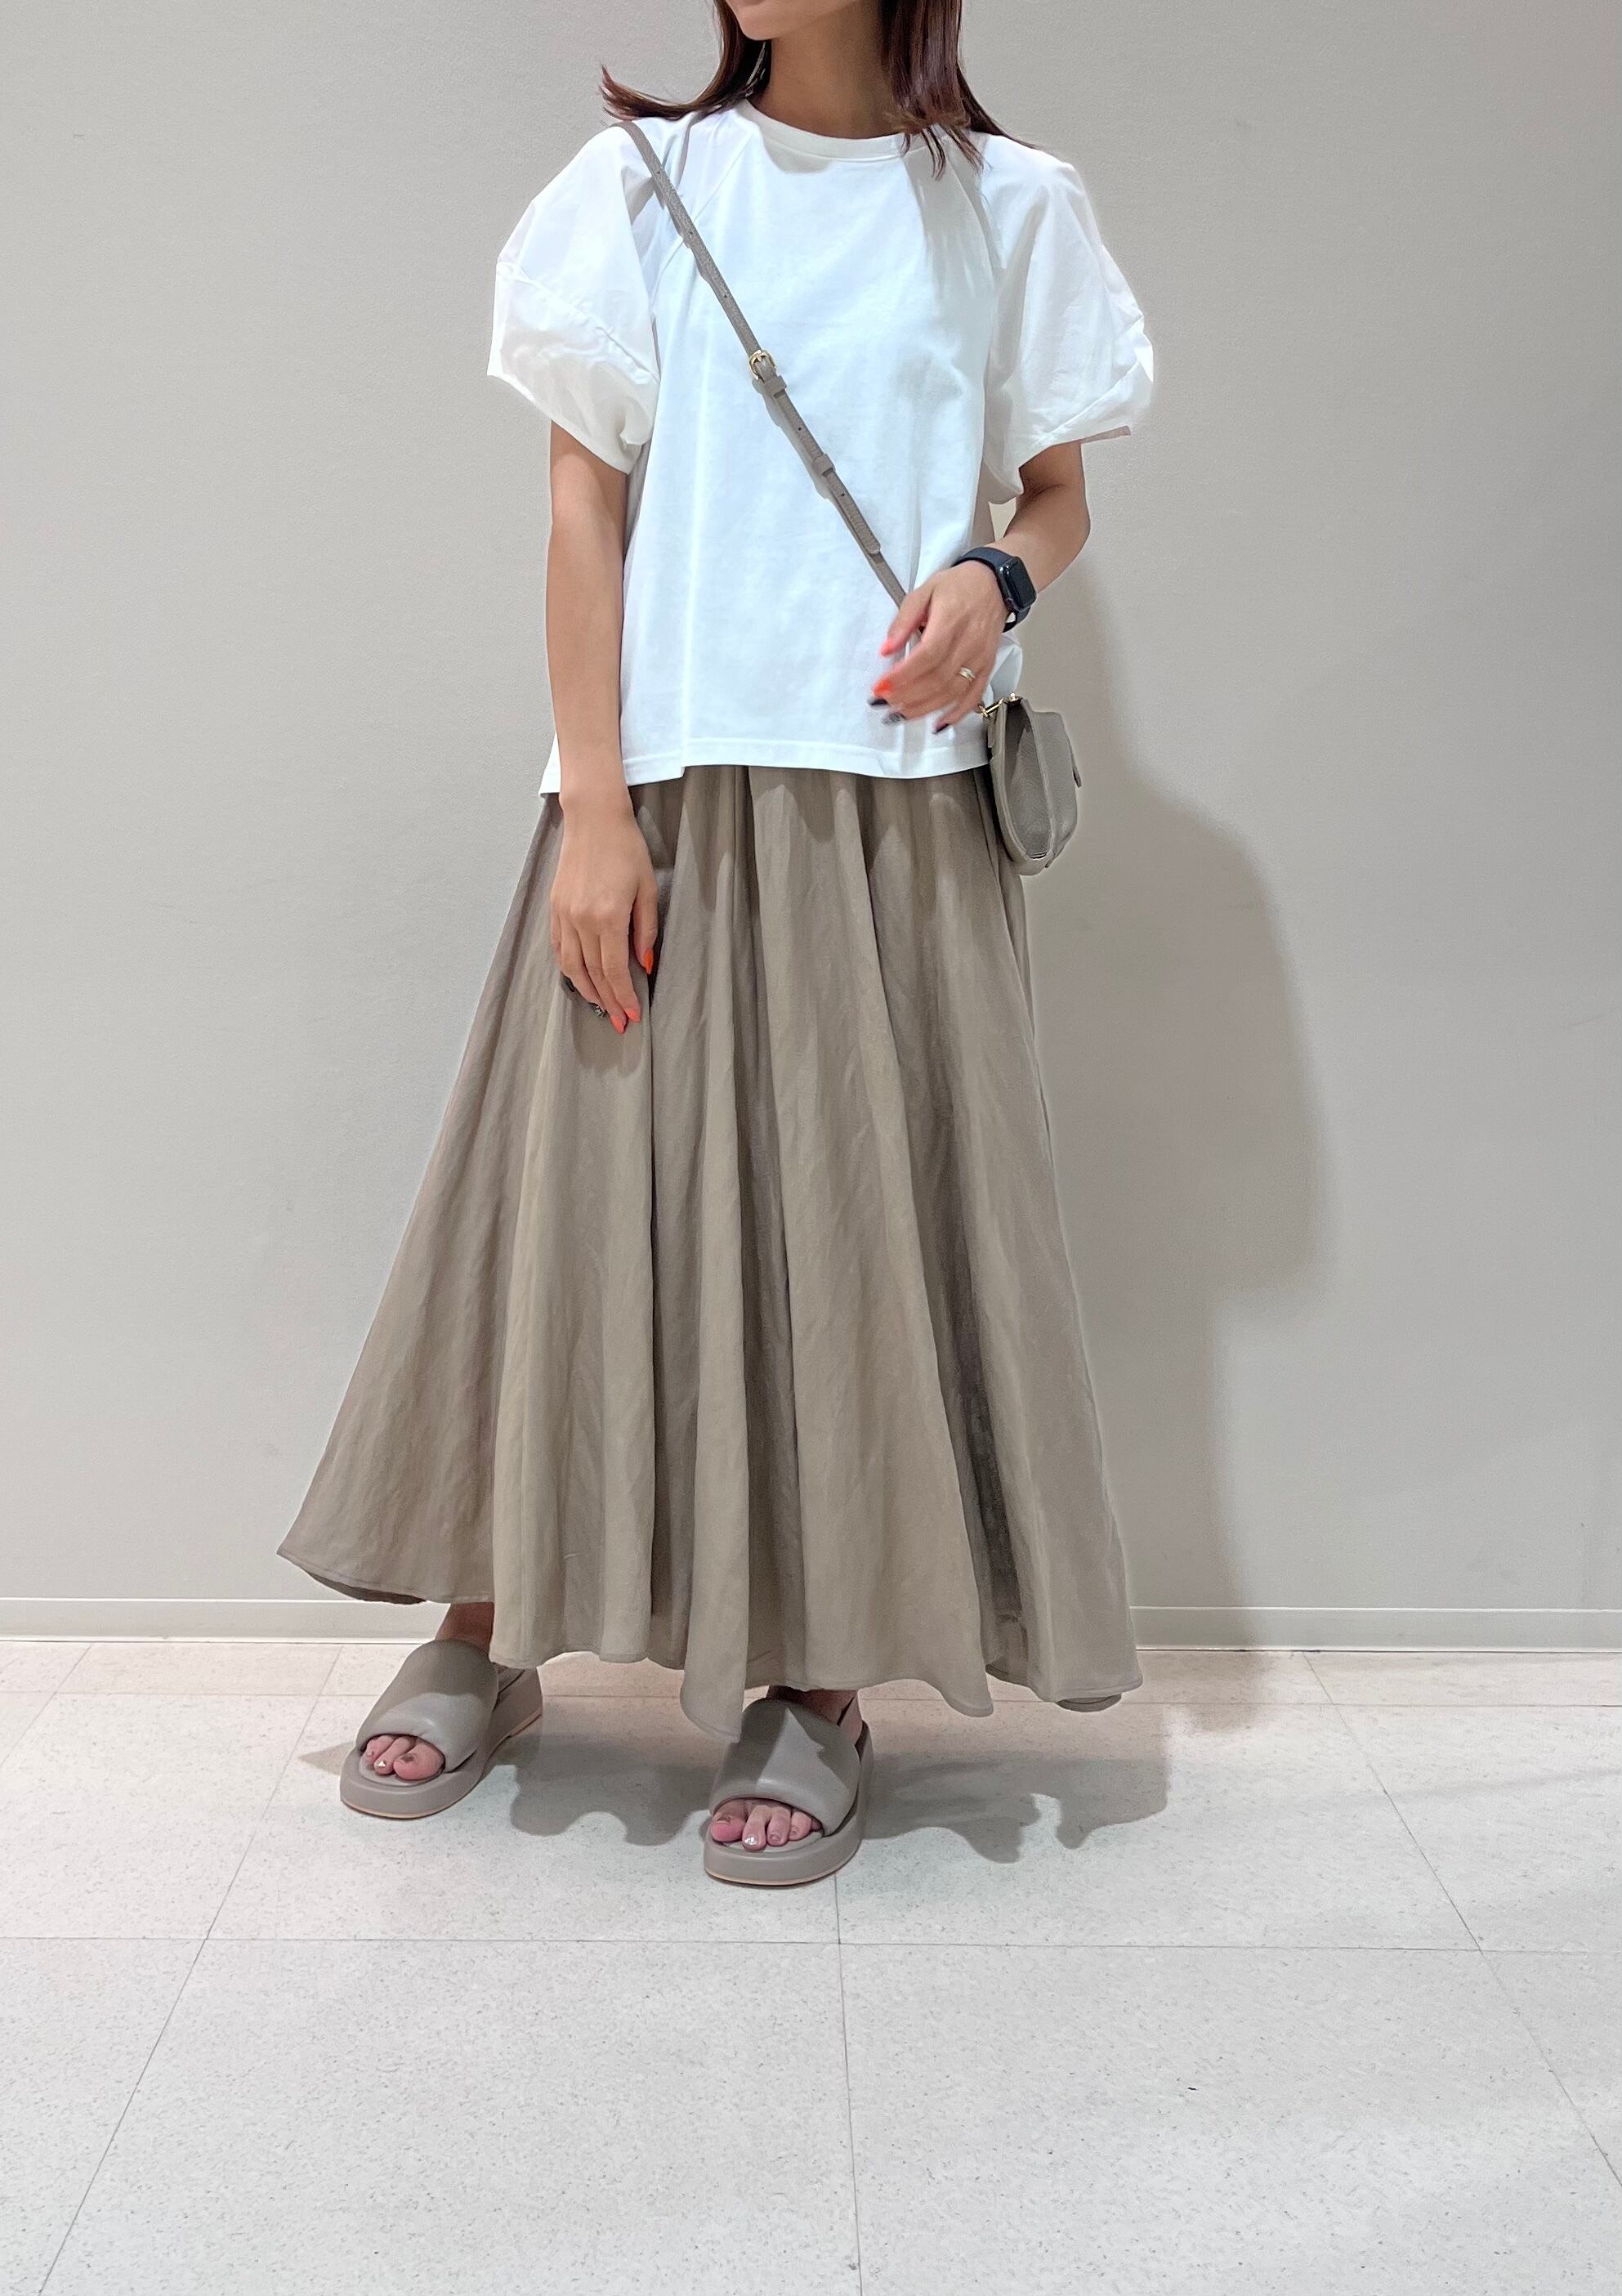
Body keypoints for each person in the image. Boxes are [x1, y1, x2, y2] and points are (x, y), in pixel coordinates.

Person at [278, 0, 1152, 1884]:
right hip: (663, 791)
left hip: (892, 811)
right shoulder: (640, 186)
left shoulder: (1012, 206)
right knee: (574, 1216)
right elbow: (579, 512)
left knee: (850, 1242)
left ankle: (819, 1676)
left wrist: (997, 581)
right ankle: (492, 1619)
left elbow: (1059, 496)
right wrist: (596, 808)